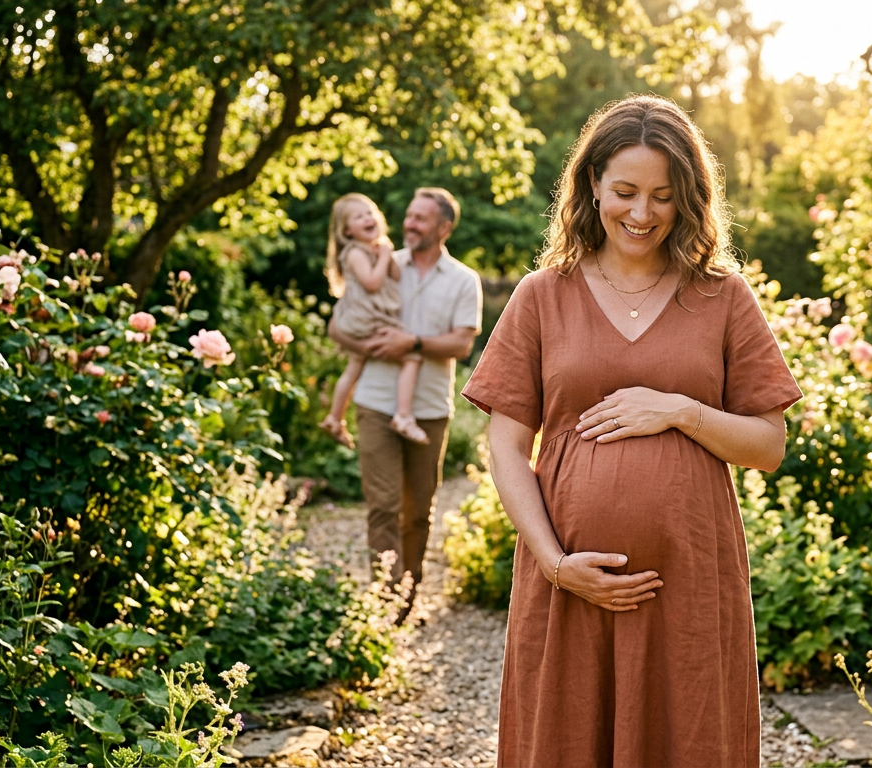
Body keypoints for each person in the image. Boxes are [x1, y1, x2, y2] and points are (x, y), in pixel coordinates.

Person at [462, 96, 801, 767]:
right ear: (592, 184)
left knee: (687, 737)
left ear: (688, 200)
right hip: (568, 583)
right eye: (624, 192)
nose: (641, 214)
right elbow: (506, 444)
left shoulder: (721, 296)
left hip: (688, 583)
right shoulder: (542, 294)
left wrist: (680, 410)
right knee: (564, 738)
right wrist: (556, 565)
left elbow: (768, 445)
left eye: (662, 196)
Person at [328, 187, 481, 595]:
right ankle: (385, 597)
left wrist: (410, 343)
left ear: (444, 227)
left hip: (430, 408)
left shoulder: (465, 281)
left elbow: (462, 344)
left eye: (420, 219)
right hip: (376, 403)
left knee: (417, 513)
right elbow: (338, 323)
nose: (408, 224)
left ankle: (409, 590)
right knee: (383, 507)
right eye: (408, 216)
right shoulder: (379, 260)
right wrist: (369, 347)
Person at [319, 193, 429, 446]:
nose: (367, 218)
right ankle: (403, 416)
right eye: (359, 217)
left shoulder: (374, 249)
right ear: (347, 231)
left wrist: (386, 254)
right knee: (411, 357)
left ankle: (335, 418)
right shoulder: (355, 252)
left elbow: (395, 275)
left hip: (363, 319)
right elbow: (372, 283)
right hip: (368, 318)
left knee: (354, 367)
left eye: (370, 213)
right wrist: (382, 256)